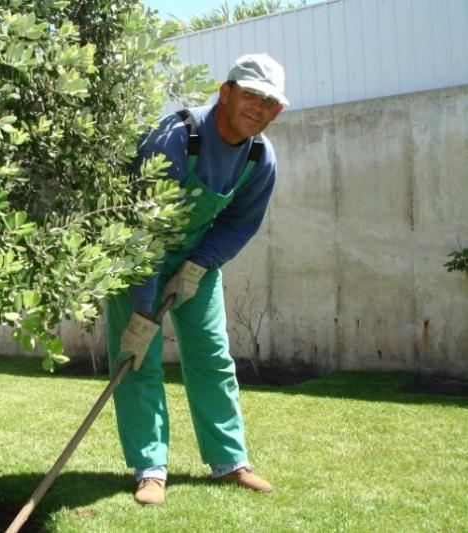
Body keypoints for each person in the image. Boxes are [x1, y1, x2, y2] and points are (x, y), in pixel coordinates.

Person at [106, 53, 288, 505]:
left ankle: (230, 463)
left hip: (197, 263)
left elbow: (239, 224)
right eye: (250, 94)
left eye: (269, 101)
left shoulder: (261, 158)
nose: (258, 107)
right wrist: (144, 310)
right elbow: (143, 227)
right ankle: (150, 469)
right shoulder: (174, 139)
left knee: (212, 358)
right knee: (138, 358)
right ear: (225, 93)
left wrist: (199, 265)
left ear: (277, 110)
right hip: (136, 257)